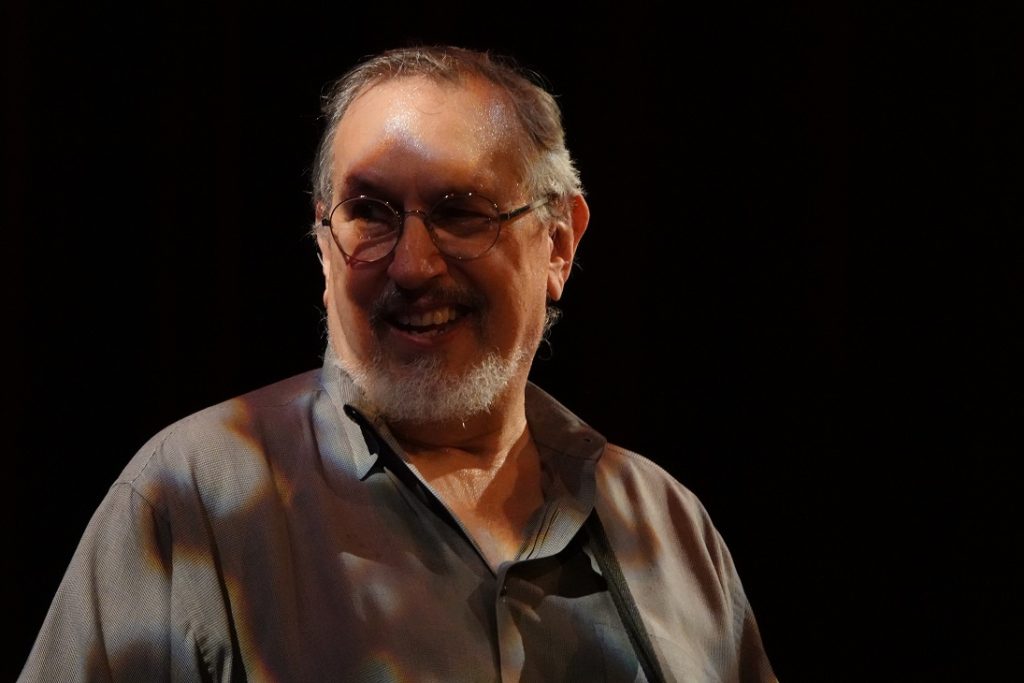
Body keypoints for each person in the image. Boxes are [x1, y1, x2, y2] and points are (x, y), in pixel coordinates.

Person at [19, 45, 777, 682]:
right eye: (369, 213)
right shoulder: (191, 499)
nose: (413, 265)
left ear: (558, 245)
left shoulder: (668, 528)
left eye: (460, 212)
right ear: (323, 247)